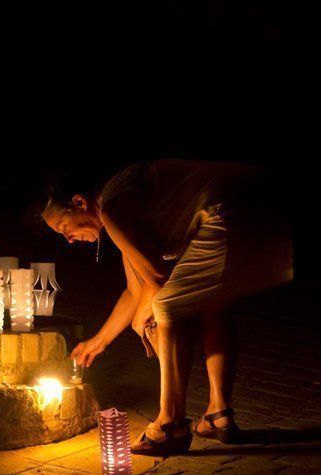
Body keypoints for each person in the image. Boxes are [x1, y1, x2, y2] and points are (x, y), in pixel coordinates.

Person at [41, 159, 293, 455]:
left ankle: (170, 423)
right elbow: (135, 290)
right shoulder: (120, 207)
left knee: (165, 308)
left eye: (63, 228)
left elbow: (157, 278)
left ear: (79, 202)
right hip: (262, 198)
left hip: (229, 209)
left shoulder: (113, 207)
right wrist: (99, 341)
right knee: (213, 302)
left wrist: (146, 317)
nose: (68, 240)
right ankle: (218, 414)